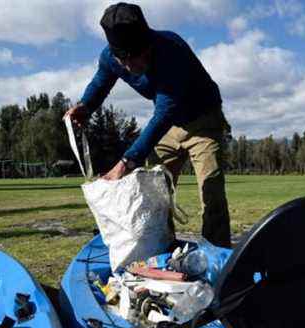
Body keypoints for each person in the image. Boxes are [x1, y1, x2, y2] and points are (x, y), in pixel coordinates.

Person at [65, 2, 232, 247]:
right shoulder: (111, 58)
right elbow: (101, 82)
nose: (132, 67)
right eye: (125, 60)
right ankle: (163, 250)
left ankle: (217, 258)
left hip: (202, 121)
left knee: (211, 190)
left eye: (138, 57)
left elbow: (164, 111)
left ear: (148, 44)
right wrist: (85, 106)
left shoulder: (172, 50)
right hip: (170, 127)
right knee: (155, 193)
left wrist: (127, 161)